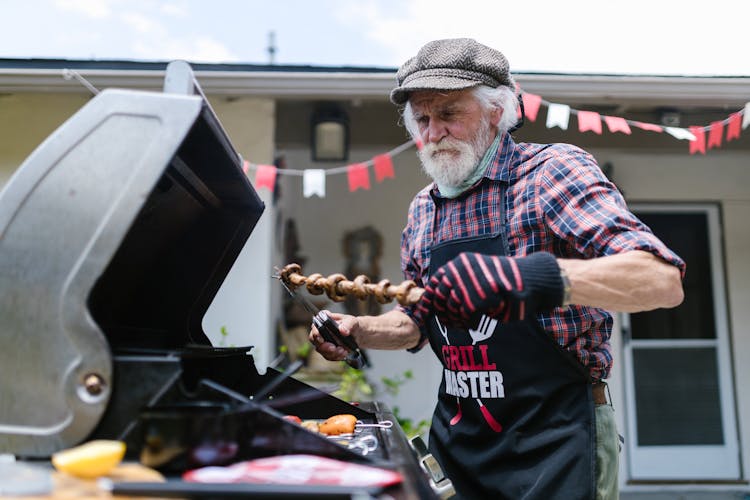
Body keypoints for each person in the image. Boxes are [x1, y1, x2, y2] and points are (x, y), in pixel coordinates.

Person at [309, 38, 685, 500]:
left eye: (448, 113)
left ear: (496, 110)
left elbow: (660, 280)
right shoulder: (424, 209)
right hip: (461, 441)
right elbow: (420, 321)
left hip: (556, 437)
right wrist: (359, 329)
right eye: (422, 119)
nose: (433, 132)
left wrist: (531, 278)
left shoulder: (552, 172)